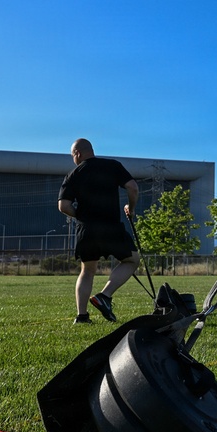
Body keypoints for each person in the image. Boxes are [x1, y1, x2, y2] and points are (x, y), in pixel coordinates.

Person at [58, 138, 141, 324]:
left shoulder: (73, 174)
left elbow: (63, 206)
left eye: (72, 155)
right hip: (111, 225)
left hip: (86, 229)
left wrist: (81, 215)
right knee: (131, 260)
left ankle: (82, 316)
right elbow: (133, 187)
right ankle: (105, 295)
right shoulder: (112, 166)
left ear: (77, 153)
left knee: (87, 271)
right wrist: (132, 208)